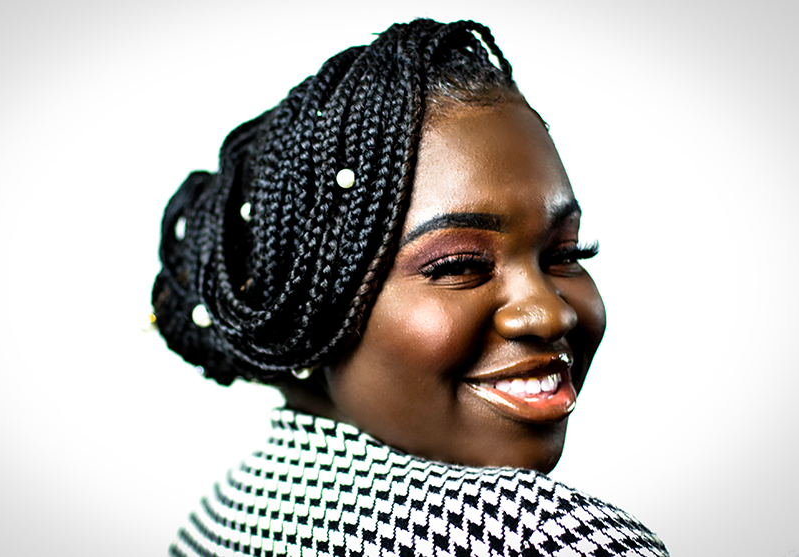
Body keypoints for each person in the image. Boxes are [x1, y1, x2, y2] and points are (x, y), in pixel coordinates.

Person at [153, 19, 669, 556]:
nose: (548, 313)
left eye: (566, 254)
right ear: (301, 313)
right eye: (458, 266)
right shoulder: (537, 536)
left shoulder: (224, 513)